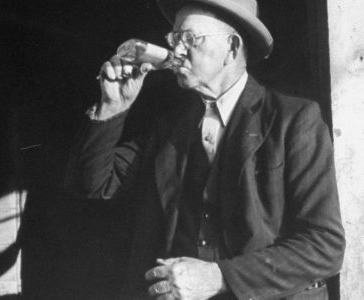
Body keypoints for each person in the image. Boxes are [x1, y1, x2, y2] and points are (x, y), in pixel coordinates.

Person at [65, 0, 345, 299]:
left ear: (232, 49)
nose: (177, 51)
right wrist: (112, 106)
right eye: (174, 39)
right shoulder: (169, 127)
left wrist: (219, 277)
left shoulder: (293, 120)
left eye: (189, 39)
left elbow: (324, 245)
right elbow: (93, 185)